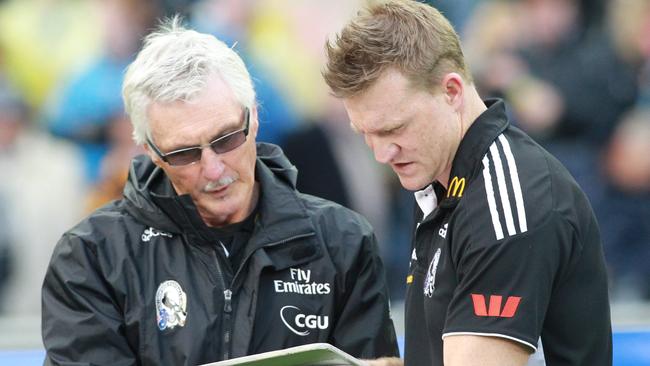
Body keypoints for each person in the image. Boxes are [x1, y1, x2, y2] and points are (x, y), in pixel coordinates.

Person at [41, 17, 399, 365]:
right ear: (150, 151)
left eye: (226, 139)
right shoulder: (92, 257)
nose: (213, 169)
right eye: (184, 153)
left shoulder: (342, 241)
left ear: (254, 117)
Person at [322, 1, 612, 365]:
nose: (382, 153)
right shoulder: (440, 175)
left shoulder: (505, 197)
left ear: (452, 91)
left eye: (393, 129)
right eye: (365, 134)